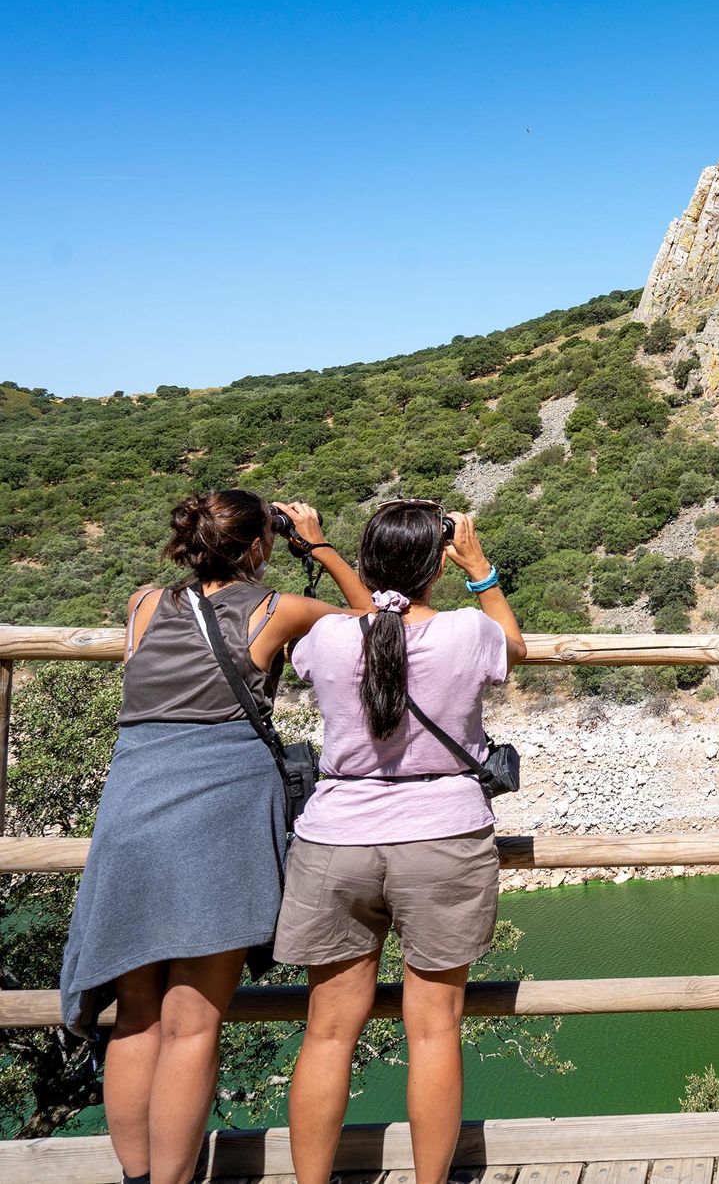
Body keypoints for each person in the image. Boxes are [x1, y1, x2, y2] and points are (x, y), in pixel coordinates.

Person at [60, 489, 373, 1184]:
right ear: (260, 545)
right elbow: (371, 622)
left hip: (131, 814)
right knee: (193, 1022)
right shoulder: (277, 608)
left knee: (136, 1012)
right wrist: (317, 543)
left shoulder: (144, 602)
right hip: (219, 819)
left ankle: (138, 1179)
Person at [273, 500, 526, 1184]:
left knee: (326, 1032)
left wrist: (318, 547)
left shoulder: (326, 638)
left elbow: (365, 623)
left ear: (365, 560)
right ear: (438, 561)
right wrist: (482, 572)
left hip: (335, 841)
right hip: (442, 839)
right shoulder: (468, 632)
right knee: (435, 1029)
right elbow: (517, 645)